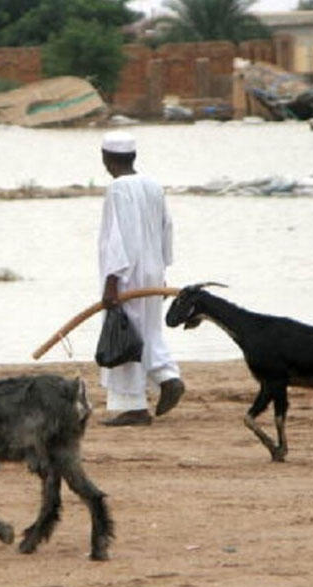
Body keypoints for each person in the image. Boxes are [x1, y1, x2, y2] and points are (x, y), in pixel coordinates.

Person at [97, 130, 185, 426]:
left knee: (125, 334)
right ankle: (167, 376)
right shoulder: (153, 185)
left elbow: (117, 238)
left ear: (106, 158)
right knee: (148, 330)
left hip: (127, 274)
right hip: (152, 271)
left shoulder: (118, 188)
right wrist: (162, 272)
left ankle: (133, 406)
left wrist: (112, 282)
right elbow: (166, 228)